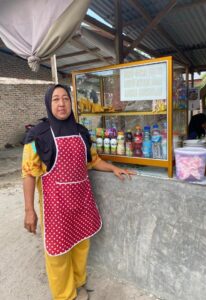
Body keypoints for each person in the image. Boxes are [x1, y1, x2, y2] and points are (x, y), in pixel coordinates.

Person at [22, 84, 135, 300]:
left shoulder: (81, 132)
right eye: (55, 99)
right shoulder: (37, 135)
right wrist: (29, 209)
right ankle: (65, 295)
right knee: (58, 250)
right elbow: (28, 173)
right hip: (55, 204)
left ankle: (78, 280)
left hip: (81, 200)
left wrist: (113, 168)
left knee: (82, 243)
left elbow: (94, 161)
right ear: (48, 103)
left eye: (65, 98)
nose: (61, 103)